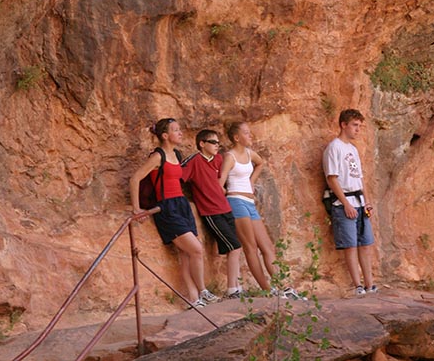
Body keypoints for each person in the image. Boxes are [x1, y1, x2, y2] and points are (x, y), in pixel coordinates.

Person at [129, 118, 218, 308]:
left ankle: (194, 300)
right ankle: (203, 290)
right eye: (175, 130)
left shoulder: (177, 154)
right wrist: (136, 208)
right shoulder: (157, 156)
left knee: (186, 254)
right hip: (167, 208)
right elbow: (135, 178)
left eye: (179, 129)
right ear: (165, 135)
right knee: (196, 249)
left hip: (181, 205)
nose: (180, 133)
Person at [219, 121, 304, 300]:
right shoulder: (230, 156)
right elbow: (220, 181)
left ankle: (283, 287)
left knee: (267, 246)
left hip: (250, 203)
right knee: (250, 247)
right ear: (236, 137)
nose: (251, 136)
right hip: (236, 201)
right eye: (247, 133)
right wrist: (227, 192)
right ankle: (267, 290)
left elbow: (260, 163)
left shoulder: (250, 154)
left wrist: (251, 181)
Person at [181, 129, 243, 299]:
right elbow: (178, 177)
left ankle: (237, 285)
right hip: (211, 211)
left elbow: (219, 181)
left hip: (225, 208)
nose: (217, 146)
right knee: (235, 246)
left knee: (234, 248)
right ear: (202, 143)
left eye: (218, 143)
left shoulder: (218, 159)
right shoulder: (193, 161)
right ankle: (232, 289)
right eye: (213, 142)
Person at [322, 108, 377, 297]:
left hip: (359, 201)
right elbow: (332, 178)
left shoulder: (353, 150)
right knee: (350, 245)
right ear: (343, 125)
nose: (357, 130)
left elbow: (360, 179)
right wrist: (345, 203)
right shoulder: (334, 148)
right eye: (355, 125)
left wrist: (366, 202)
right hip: (344, 202)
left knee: (365, 243)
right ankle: (357, 285)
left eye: (360, 126)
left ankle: (370, 284)